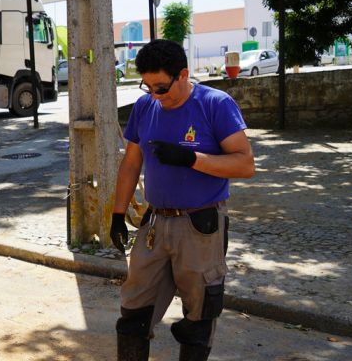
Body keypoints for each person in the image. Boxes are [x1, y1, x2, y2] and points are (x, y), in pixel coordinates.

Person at [109, 39, 255, 361]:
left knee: (199, 315)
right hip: (155, 224)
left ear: (184, 75)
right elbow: (131, 163)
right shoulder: (145, 107)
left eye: (161, 87)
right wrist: (118, 214)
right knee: (133, 313)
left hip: (200, 226)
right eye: (148, 87)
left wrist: (192, 159)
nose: (155, 96)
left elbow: (245, 164)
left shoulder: (215, 104)